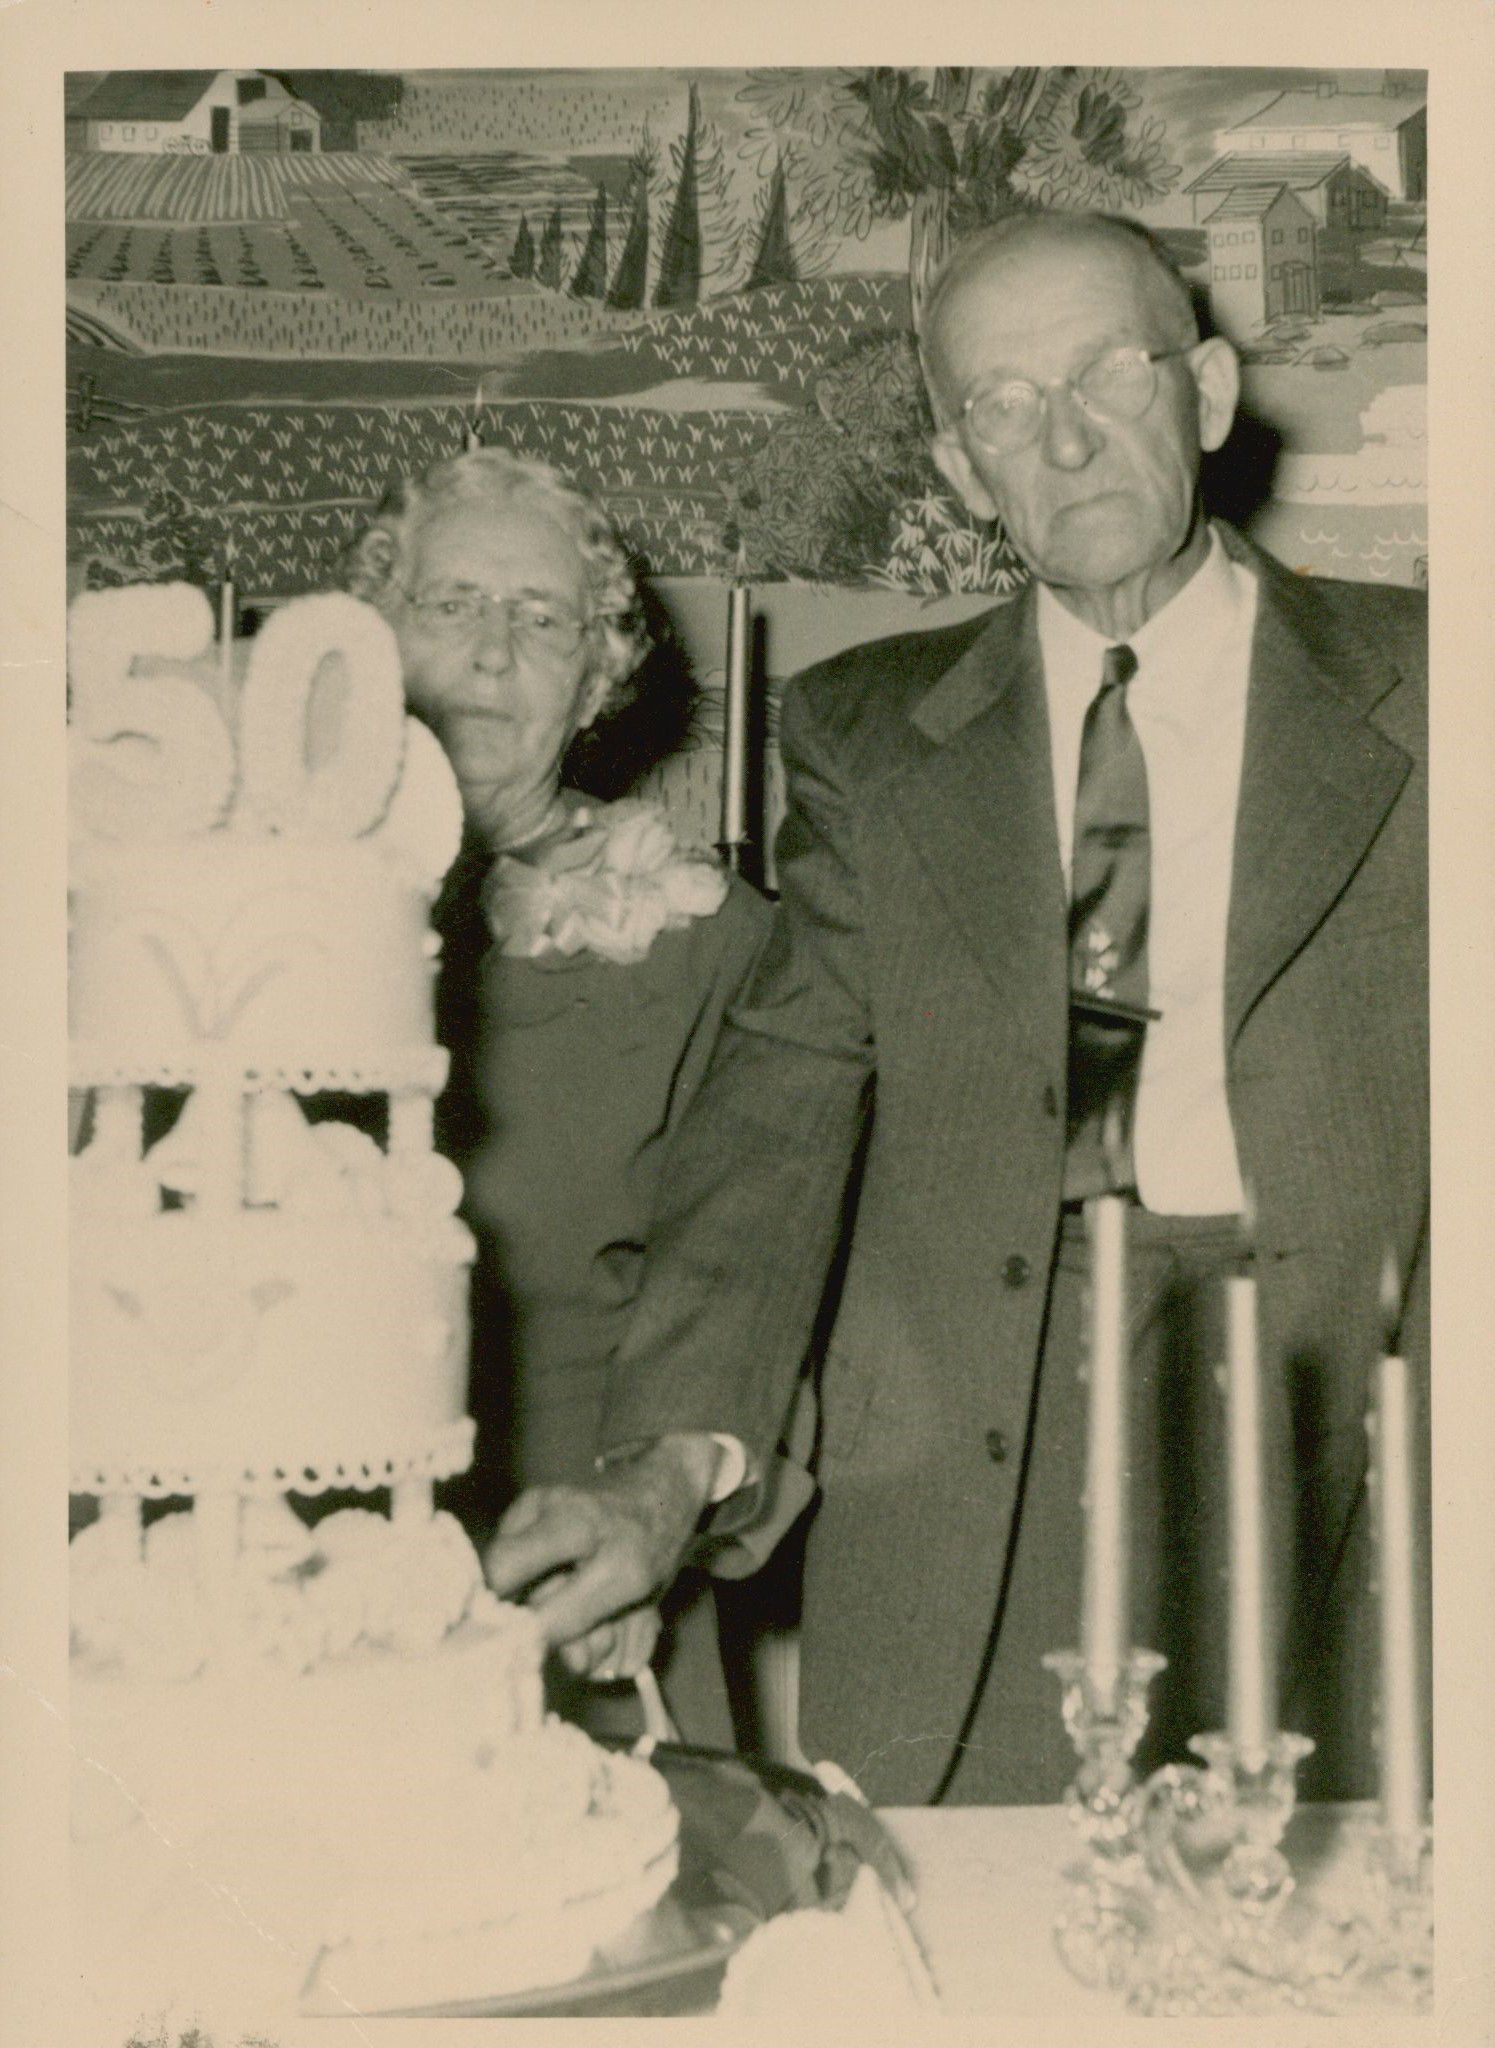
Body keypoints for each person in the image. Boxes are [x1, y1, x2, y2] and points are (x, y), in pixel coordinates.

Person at [482, 212, 1428, 1806]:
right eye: (1003, 405)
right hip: (985, 1461)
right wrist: (671, 1462)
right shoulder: (869, 735)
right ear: (962, 469)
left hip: (1360, 1441)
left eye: (1108, 375)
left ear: (1205, 393)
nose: (1063, 439)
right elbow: (778, 1109)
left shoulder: (1439, 689)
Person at [343, 449, 777, 1746]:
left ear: (596, 679)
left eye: (541, 620)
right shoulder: (268, 916)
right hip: (289, 1598)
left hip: (587, 1598)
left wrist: (655, 1529)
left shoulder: (709, 944)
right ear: (373, 638)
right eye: (451, 605)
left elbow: (766, 1291)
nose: (491, 653)